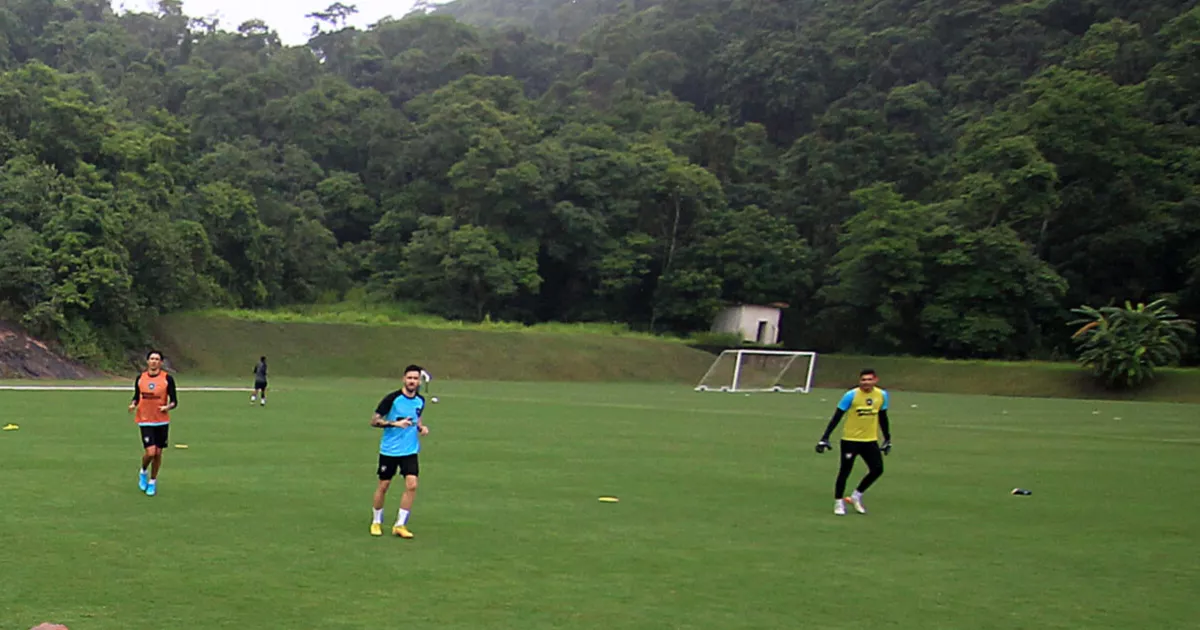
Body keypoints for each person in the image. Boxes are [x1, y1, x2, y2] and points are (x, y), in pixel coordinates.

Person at [815, 368, 892, 515]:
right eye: (863, 380)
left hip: (870, 440)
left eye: (869, 379)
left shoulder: (882, 395)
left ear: (875, 380)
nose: (866, 382)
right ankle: (838, 502)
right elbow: (837, 416)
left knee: (877, 469)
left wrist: (887, 438)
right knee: (845, 471)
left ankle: (856, 496)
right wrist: (825, 437)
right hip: (850, 440)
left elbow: (883, 417)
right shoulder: (851, 395)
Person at [368, 365, 430, 539]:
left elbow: (417, 417)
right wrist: (394, 424)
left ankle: (400, 525)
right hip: (390, 451)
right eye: (409, 378)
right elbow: (374, 421)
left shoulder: (420, 400)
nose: (412, 381)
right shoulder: (392, 399)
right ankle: (376, 521)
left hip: (410, 451)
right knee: (384, 486)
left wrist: (421, 427)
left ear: (419, 381)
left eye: (415, 378)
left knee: (412, 485)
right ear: (404, 379)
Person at [128, 350, 178, 497]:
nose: (154, 361)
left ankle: (152, 481)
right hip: (145, 420)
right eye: (151, 359)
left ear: (161, 362)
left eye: (157, 359)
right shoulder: (140, 378)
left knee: (158, 453)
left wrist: (166, 407)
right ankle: (143, 471)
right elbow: (137, 397)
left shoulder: (167, 379)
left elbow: (174, 401)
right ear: (148, 361)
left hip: (161, 421)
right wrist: (132, 404)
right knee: (150, 452)